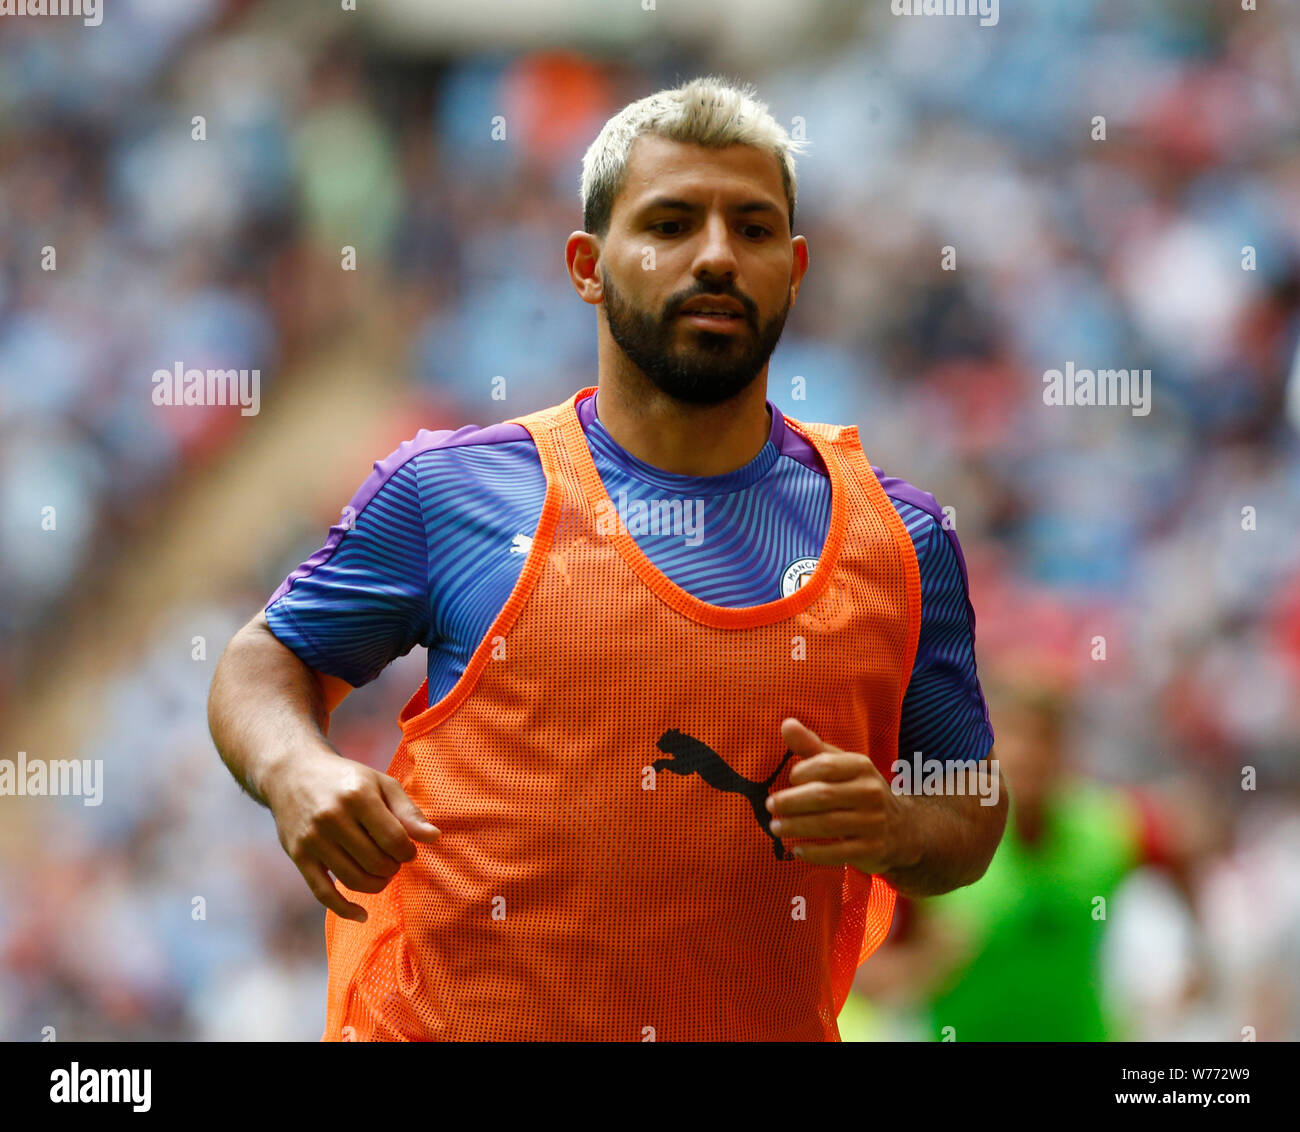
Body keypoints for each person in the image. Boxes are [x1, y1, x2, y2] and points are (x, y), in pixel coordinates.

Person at [207, 75, 1006, 1041]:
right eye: (670, 224)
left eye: (752, 230)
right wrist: (297, 769)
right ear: (588, 265)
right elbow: (267, 658)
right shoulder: (450, 494)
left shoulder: (904, 541)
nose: (717, 255)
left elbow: (969, 807)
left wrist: (898, 827)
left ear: (794, 267)